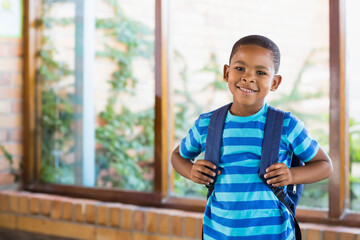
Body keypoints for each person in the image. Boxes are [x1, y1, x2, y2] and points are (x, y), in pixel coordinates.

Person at [171, 35, 333, 240]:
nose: (248, 77)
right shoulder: (207, 124)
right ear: (226, 72)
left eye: (261, 72)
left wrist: (292, 175)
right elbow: (177, 156)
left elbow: (324, 165)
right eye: (240, 68)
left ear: (275, 82)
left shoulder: (287, 125)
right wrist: (191, 171)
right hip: (219, 234)